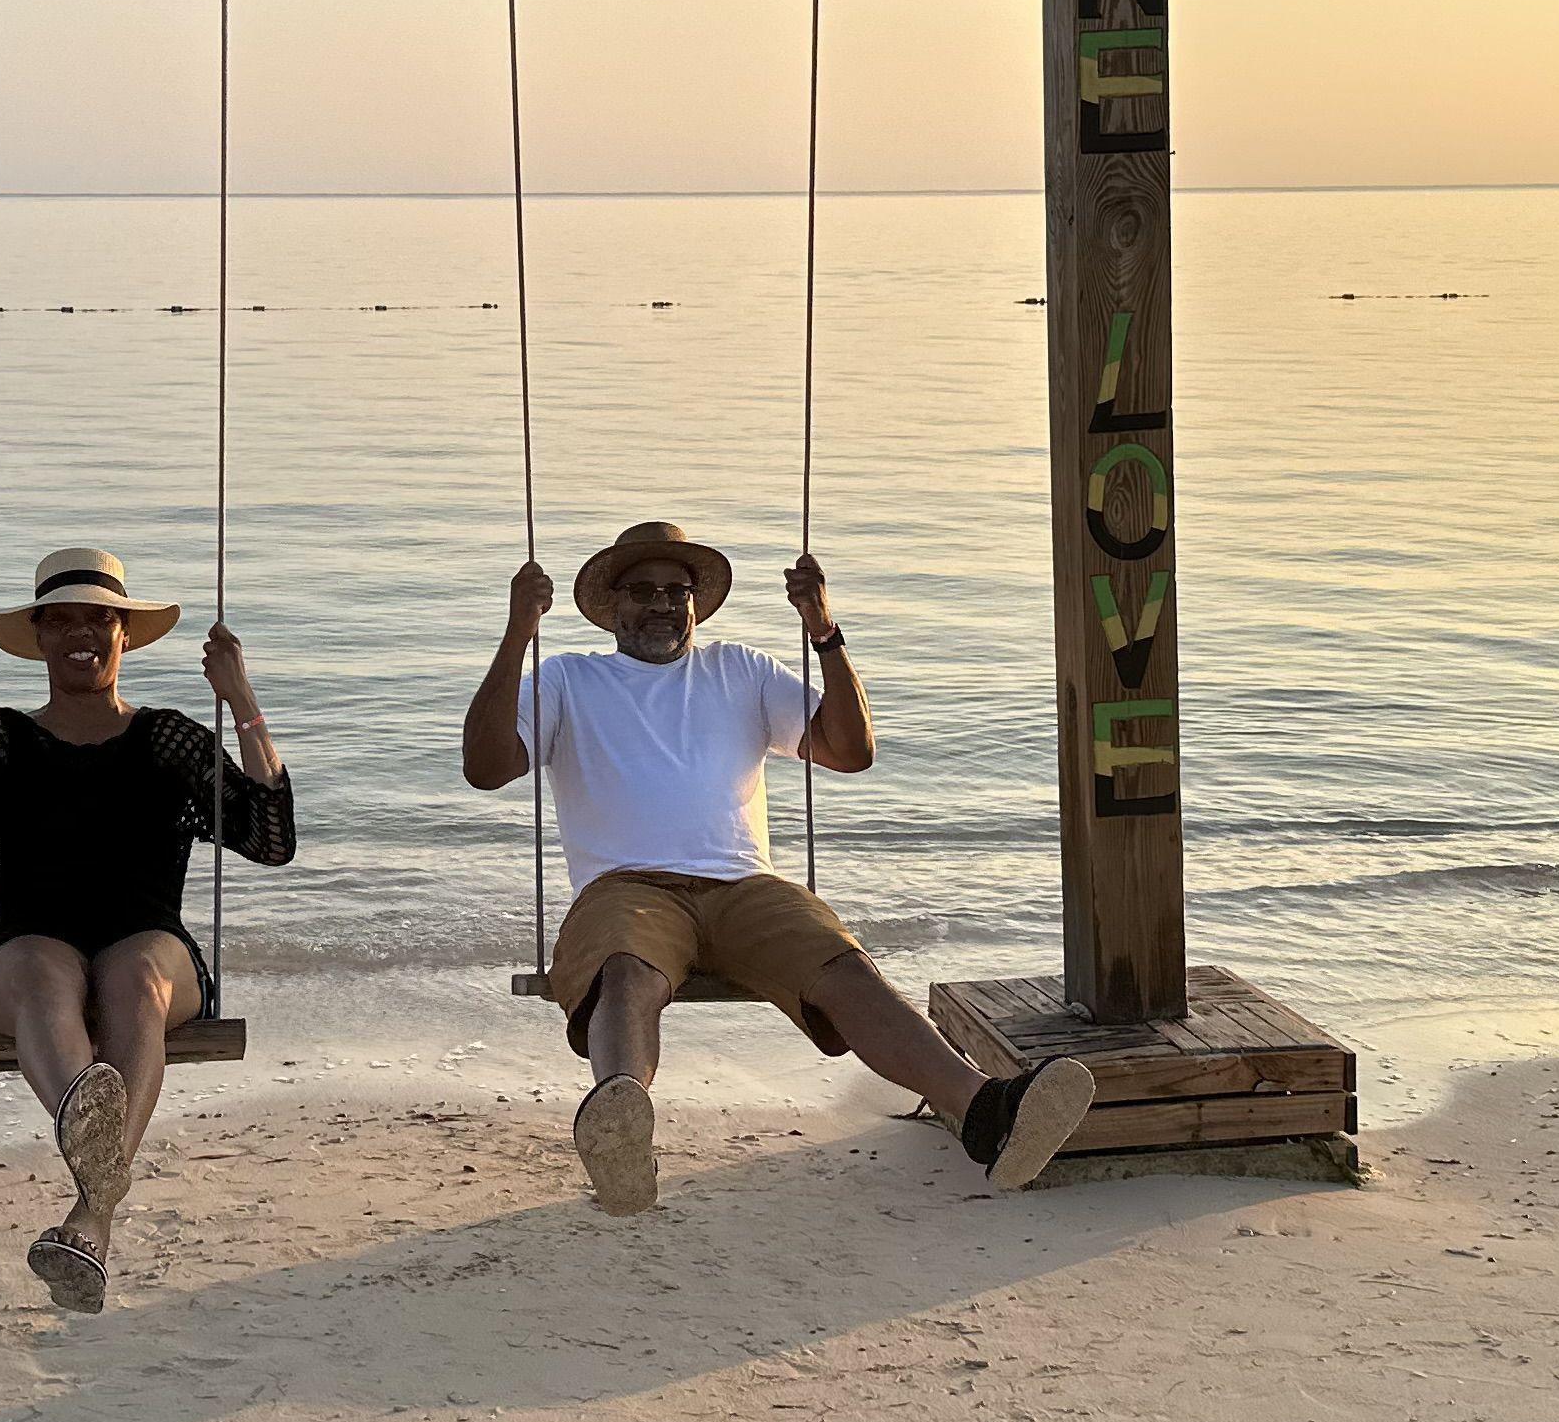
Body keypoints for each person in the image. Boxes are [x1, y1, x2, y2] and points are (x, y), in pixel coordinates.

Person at [460, 515, 1094, 1212]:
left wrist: (824, 630)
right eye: (642, 590)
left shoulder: (741, 670)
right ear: (612, 609)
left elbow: (850, 751)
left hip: (743, 885)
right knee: (624, 967)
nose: (663, 604)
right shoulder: (569, 681)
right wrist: (519, 632)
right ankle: (621, 1121)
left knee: (840, 963)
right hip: (628, 885)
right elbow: (487, 768)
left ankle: (985, 1113)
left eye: (678, 590)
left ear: (697, 603)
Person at [0, 542, 292, 1312]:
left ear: (125, 634)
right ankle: (93, 1206)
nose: (82, 634)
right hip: (27, 947)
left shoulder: (168, 740)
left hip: (151, 942)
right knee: (44, 974)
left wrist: (240, 694)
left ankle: (92, 1204)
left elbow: (270, 838)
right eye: (62, 622)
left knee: (136, 977)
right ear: (39, 637)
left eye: (101, 619)